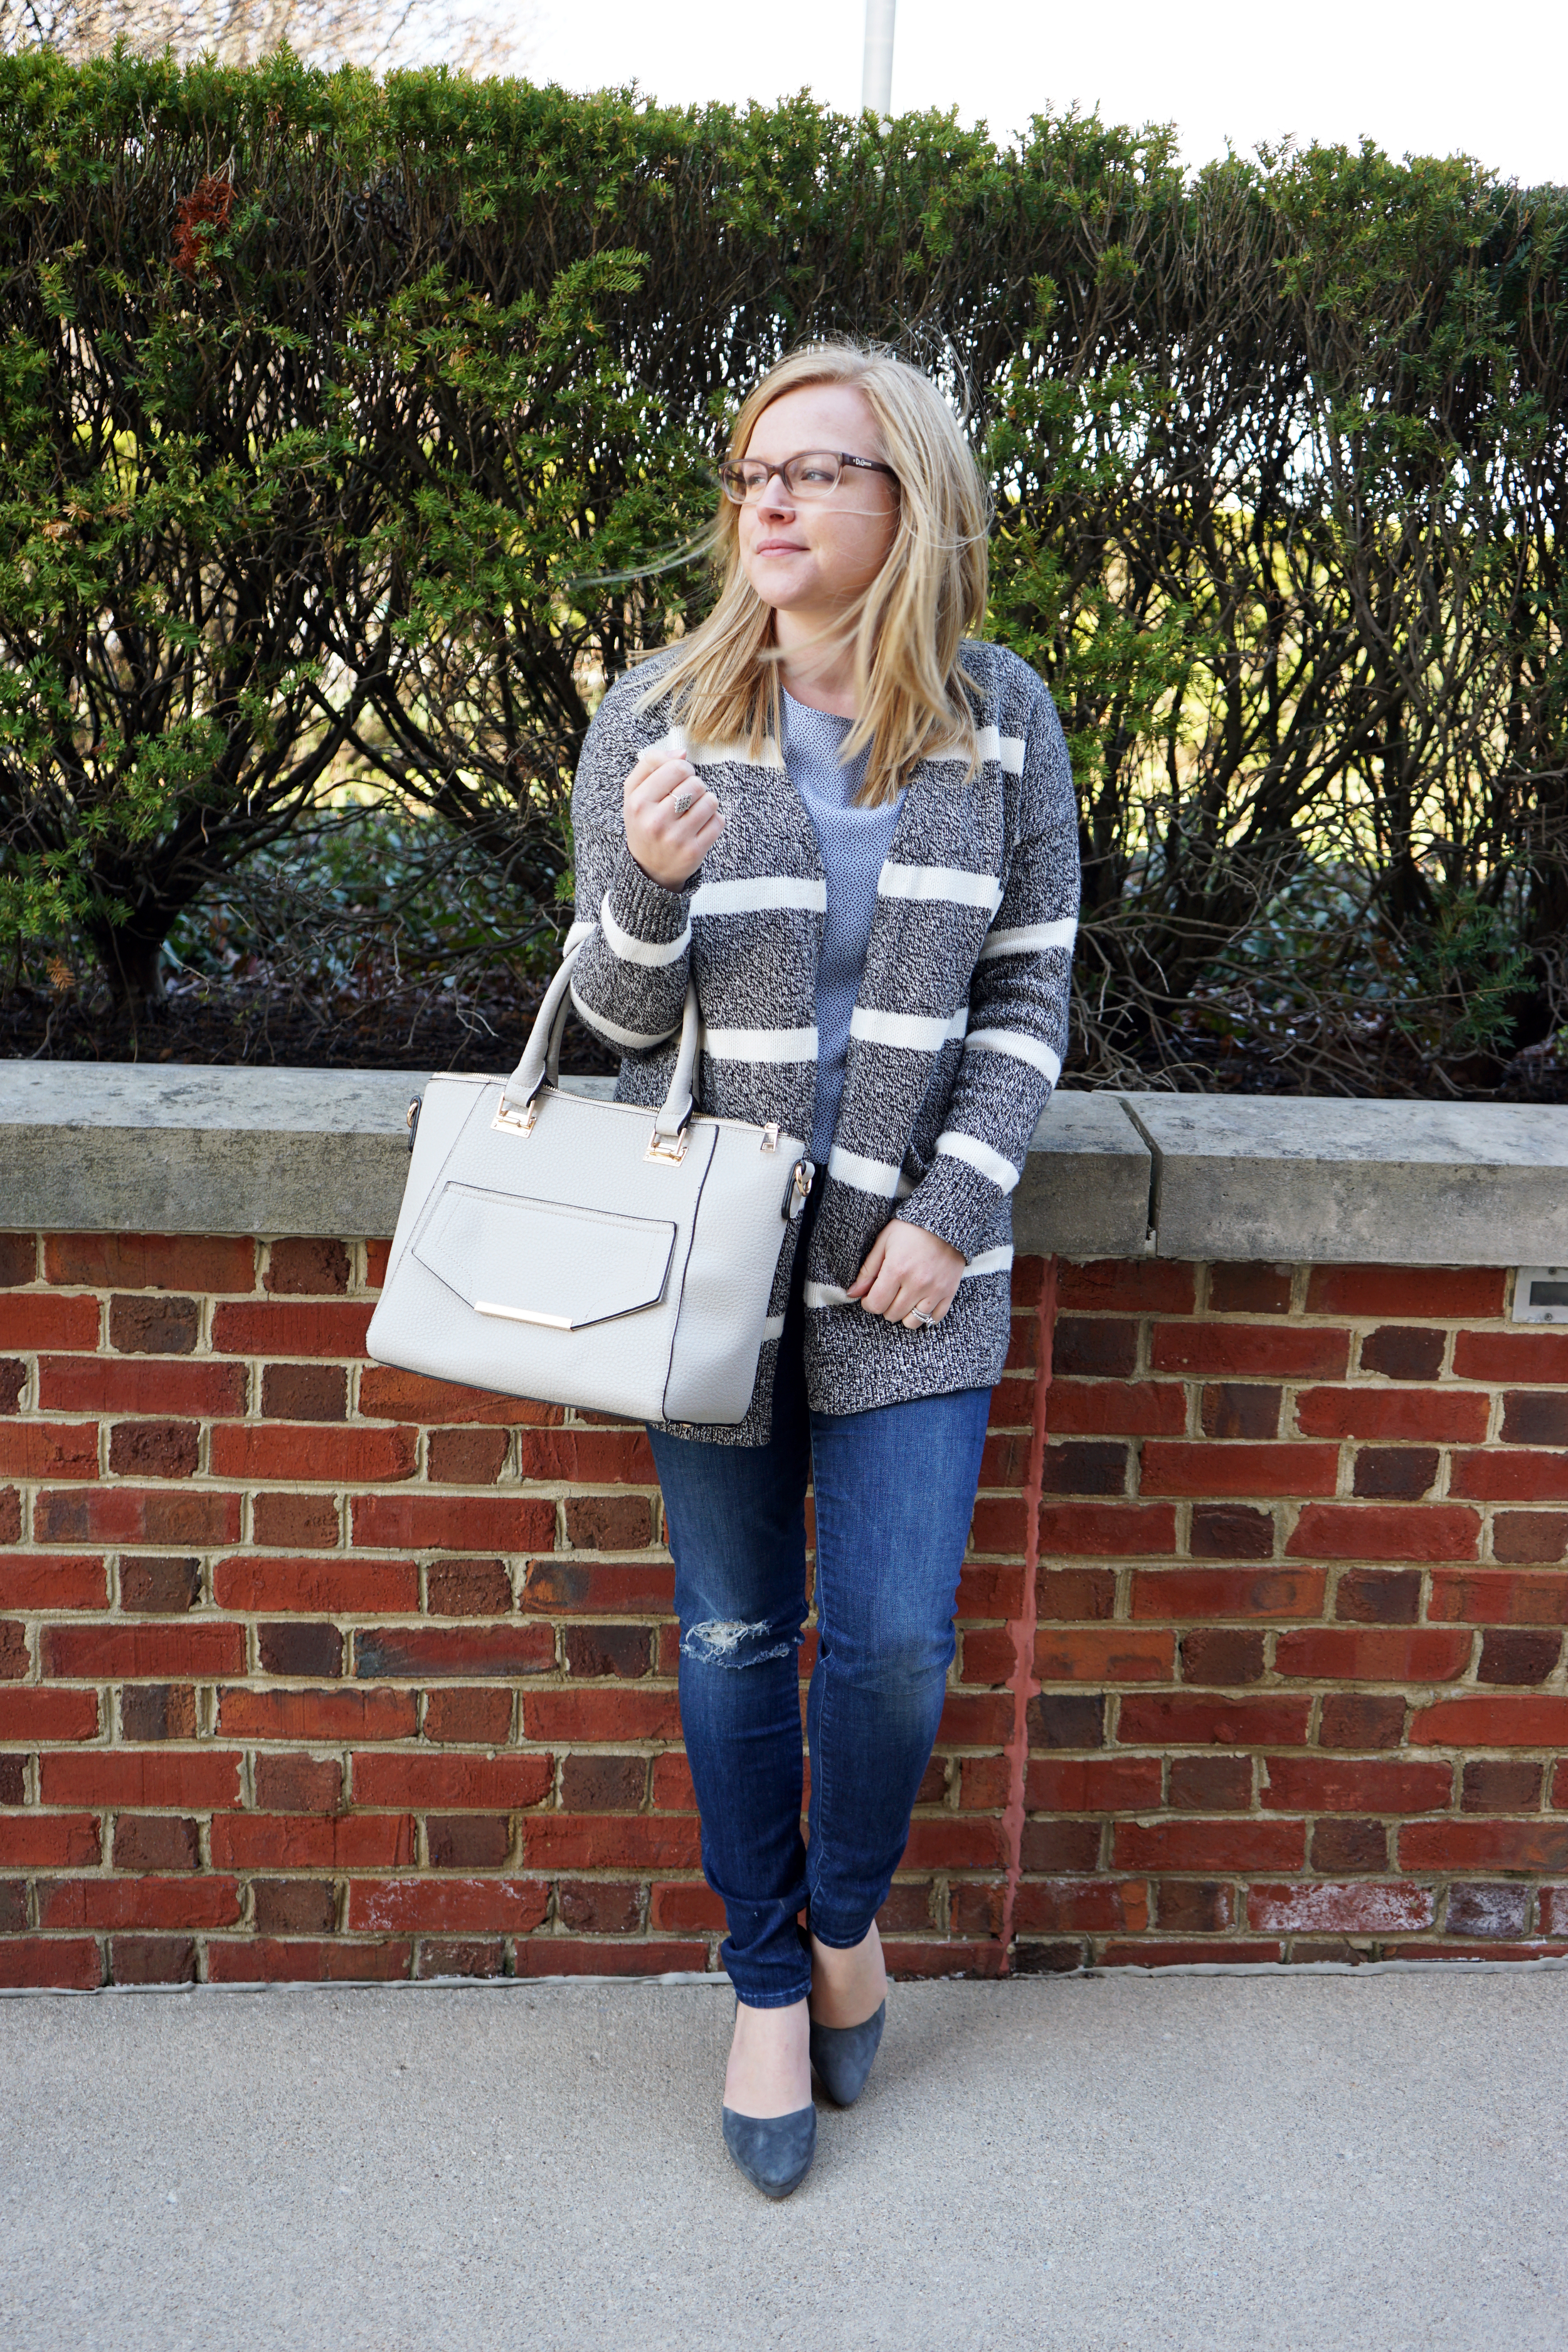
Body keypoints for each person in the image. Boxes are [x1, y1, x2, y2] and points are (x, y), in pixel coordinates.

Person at [565, 341, 1079, 2197]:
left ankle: (847, 1916)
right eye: (749, 473)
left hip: (917, 1272)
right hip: (713, 1273)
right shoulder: (657, 714)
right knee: (730, 1636)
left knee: (888, 1647)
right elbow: (618, 1015)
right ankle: (770, 1981)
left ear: (905, 499)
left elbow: (1028, 992)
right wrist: (640, 880)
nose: (766, 502)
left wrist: (950, 1210)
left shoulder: (1001, 716)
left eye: (816, 470)